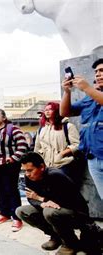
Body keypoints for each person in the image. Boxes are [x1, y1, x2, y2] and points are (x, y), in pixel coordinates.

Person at [16, 152, 97, 254]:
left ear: (41, 167)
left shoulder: (56, 176)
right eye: (24, 171)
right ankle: (56, 236)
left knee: (49, 212)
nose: (27, 174)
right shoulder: (29, 177)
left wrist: (41, 199)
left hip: (76, 212)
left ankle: (70, 244)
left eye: (30, 170)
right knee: (22, 211)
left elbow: (64, 202)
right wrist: (41, 203)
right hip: (53, 208)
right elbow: (30, 198)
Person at [60, 58, 103, 198]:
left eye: (102, 71)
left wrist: (87, 88)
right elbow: (65, 112)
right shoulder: (90, 98)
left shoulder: (91, 91)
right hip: (93, 157)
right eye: (96, 72)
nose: (98, 74)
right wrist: (67, 92)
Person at [0, 109, 27, 232]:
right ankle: (4, 214)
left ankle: (17, 217)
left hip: (9, 165)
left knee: (11, 189)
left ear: (4, 118)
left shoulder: (13, 129)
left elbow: (22, 145)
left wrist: (13, 158)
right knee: (0, 190)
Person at [34, 102, 81, 182]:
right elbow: (37, 147)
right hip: (46, 167)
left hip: (64, 165)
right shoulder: (42, 129)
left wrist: (62, 154)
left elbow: (77, 144)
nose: (47, 112)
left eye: (50, 109)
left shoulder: (68, 126)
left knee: (63, 191)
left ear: (57, 111)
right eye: (45, 110)